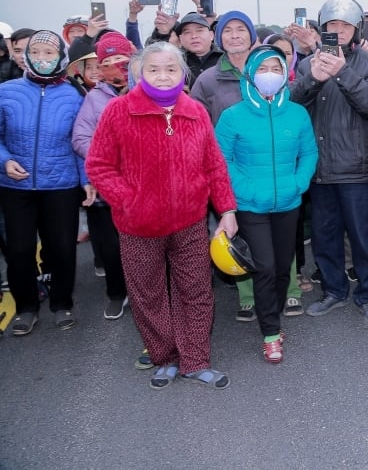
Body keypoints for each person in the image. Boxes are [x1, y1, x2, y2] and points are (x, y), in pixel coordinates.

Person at [87, 42, 237, 389]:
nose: (163, 75)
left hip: (189, 222)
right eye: (154, 69)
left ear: (182, 72)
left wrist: (227, 209)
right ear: (139, 72)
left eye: (171, 68)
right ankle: (164, 357)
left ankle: (195, 360)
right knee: (148, 294)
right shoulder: (119, 111)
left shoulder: (195, 112)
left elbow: (214, 165)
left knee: (197, 291)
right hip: (139, 226)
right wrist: (129, 200)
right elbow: (99, 165)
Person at [215, 45, 318, 364]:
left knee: (284, 267)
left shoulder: (298, 113)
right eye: (262, 68)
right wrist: (246, 190)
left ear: (285, 74)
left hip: (289, 203)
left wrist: (298, 183)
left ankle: (270, 312)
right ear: (249, 74)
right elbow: (222, 160)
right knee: (265, 267)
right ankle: (271, 333)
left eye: (276, 68)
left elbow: (309, 153)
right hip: (251, 206)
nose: (269, 75)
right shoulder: (233, 116)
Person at [291, 0, 368, 324]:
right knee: (324, 235)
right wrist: (313, 78)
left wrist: (343, 72)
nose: (339, 31)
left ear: (356, 29)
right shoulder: (308, 64)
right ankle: (333, 290)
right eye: (332, 25)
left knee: (363, 236)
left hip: (357, 168)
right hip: (319, 168)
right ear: (323, 28)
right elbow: (293, 105)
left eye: (345, 25)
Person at [0, 30, 96, 335]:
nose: (42, 59)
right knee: (18, 250)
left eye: (49, 53)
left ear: (60, 57)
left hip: (62, 186)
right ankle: (26, 306)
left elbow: (79, 141)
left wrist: (87, 180)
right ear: (26, 56)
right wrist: (4, 161)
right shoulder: (6, 91)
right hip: (16, 187)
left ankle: (61, 302)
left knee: (62, 248)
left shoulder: (74, 94)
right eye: (36, 53)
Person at [71, 31, 135, 321]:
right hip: (107, 183)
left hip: (142, 184)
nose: (115, 66)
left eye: (121, 59)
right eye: (107, 61)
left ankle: (145, 294)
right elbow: (80, 137)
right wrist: (107, 154)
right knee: (110, 246)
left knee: (144, 245)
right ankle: (116, 293)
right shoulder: (94, 98)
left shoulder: (147, 89)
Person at [190, 11, 257, 124]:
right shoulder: (207, 80)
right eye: (227, 31)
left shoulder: (266, 73)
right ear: (220, 38)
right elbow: (198, 126)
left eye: (241, 30)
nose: (235, 36)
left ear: (251, 36)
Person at [175, 13, 223, 84]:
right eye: (187, 32)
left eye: (199, 31)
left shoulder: (226, 58)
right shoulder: (176, 60)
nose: (194, 36)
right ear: (181, 39)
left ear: (211, 35)